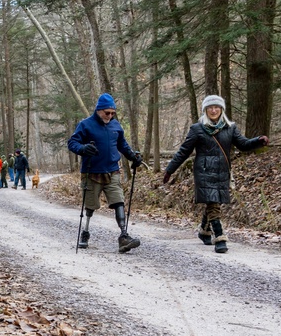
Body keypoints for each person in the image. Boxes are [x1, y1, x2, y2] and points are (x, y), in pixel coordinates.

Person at [162, 95, 269, 253]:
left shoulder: (230, 128)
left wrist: (258, 141)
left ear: (221, 109)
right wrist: (169, 170)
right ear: (205, 110)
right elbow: (183, 151)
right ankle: (220, 237)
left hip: (222, 170)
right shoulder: (197, 129)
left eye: (216, 107)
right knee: (213, 202)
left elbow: (243, 145)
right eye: (210, 107)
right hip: (204, 171)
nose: (213, 110)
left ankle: (204, 231)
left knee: (214, 202)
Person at [67, 93, 143, 253]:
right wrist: (83, 149)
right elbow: (72, 142)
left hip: (112, 171)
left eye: (112, 113)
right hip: (91, 172)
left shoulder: (115, 126)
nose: (109, 116)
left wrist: (133, 157)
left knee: (118, 201)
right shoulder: (86, 125)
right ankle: (85, 232)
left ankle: (124, 236)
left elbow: (122, 144)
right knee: (90, 205)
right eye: (107, 113)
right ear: (99, 110)